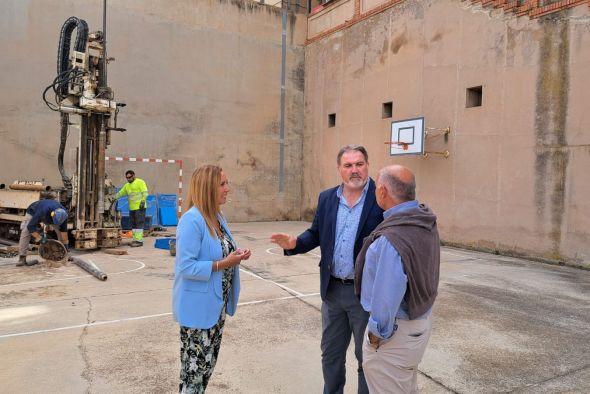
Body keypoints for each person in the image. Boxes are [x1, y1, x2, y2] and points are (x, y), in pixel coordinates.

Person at [271, 145, 383, 394]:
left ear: (367, 165)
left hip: (366, 293)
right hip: (332, 291)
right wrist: (295, 244)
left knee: (367, 359)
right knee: (331, 354)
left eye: (359, 164)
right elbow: (316, 234)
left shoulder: (381, 197)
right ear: (339, 169)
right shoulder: (327, 198)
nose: (355, 170)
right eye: (348, 165)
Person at [355, 164, 440, 394]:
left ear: (382, 191)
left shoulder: (392, 238)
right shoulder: (423, 220)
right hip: (419, 324)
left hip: (395, 335)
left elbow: (387, 296)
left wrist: (375, 335)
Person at [172, 165, 251, 393]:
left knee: (205, 370)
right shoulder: (192, 220)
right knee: (193, 376)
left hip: (216, 309)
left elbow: (219, 250)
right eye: (223, 184)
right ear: (208, 188)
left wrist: (235, 254)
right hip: (198, 313)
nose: (228, 189)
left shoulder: (217, 216)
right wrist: (224, 263)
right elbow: (186, 267)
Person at [17, 199, 69, 267]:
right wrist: (42, 240)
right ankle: (22, 258)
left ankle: (62, 254)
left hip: (50, 216)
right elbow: (31, 227)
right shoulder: (42, 211)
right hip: (33, 211)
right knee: (25, 231)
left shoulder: (64, 216)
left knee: (59, 231)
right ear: (52, 215)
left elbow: (64, 233)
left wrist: (66, 249)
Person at [115, 170, 148, 247]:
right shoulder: (127, 186)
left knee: (139, 224)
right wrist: (113, 198)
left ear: (133, 176)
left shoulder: (140, 182)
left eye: (130, 177)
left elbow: (145, 192)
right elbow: (121, 193)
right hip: (132, 208)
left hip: (140, 207)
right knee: (134, 224)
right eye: (127, 178)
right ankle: (135, 239)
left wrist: (143, 201)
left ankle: (139, 241)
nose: (128, 179)